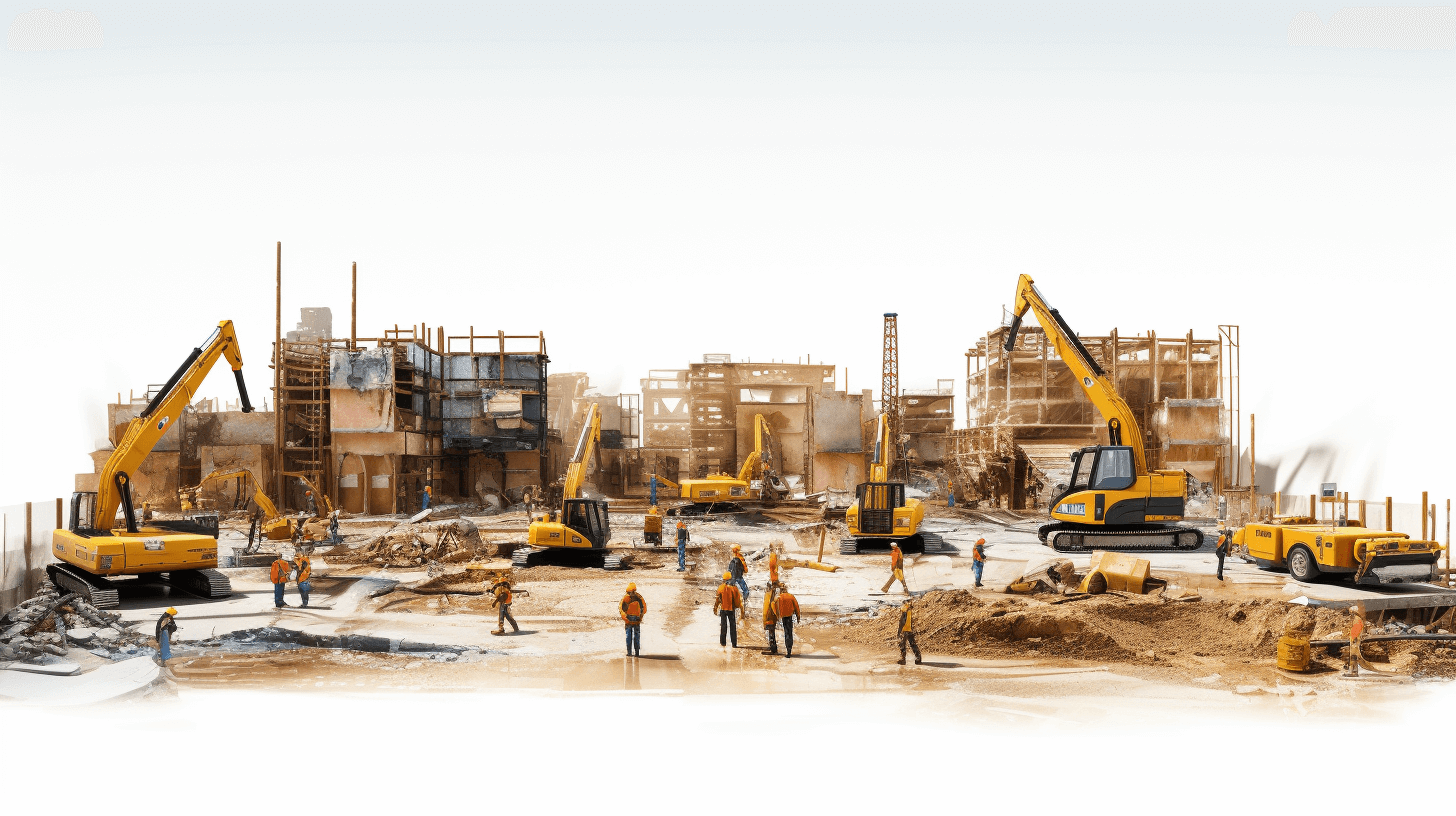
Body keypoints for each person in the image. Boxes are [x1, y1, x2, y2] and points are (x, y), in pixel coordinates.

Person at [713, 571, 742, 648]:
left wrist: (715, 608)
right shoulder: (734, 588)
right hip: (731, 610)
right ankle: (734, 643)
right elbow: (738, 600)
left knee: (723, 626)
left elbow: (717, 599)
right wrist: (737, 606)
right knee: (733, 626)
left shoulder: (721, 587)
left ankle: (723, 642)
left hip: (723, 609)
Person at [621, 582, 646, 657]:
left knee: (630, 636)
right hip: (635, 619)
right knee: (635, 636)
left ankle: (630, 653)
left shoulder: (626, 597)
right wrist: (640, 617)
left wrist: (625, 617)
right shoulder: (639, 597)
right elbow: (643, 609)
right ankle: (636, 653)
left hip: (630, 619)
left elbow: (621, 608)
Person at [775, 584, 801, 658]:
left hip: (783, 617)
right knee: (789, 633)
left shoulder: (778, 598)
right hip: (789, 617)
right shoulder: (791, 596)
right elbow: (796, 607)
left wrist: (777, 616)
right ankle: (789, 650)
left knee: (786, 633)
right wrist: (798, 616)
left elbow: (775, 607)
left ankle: (788, 650)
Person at [896, 598, 922, 665]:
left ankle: (903, 659)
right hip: (909, 628)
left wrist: (900, 630)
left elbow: (903, 620)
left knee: (902, 644)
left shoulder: (905, 609)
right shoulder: (909, 609)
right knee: (912, 643)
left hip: (905, 629)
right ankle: (918, 658)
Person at [1343, 606, 1366, 676]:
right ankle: (1353, 671)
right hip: (1354, 640)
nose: (1351, 615)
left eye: (1352, 613)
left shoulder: (1357, 620)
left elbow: (1356, 631)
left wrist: (1354, 638)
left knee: (1353, 656)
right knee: (1354, 656)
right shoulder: (1358, 619)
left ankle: (1353, 672)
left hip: (1355, 640)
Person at [728, 544, 750, 608]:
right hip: (738, 577)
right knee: (746, 591)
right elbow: (744, 570)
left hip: (735, 578)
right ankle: (743, 603)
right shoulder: (739, 559)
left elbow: (731, 571)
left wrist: (732, 580)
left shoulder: (735, 560)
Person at [761, 587, 781, 655]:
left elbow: (767, 608)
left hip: (769, 617)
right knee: (771, 633)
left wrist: (765, 618)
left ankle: (773, 649)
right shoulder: (773, 595)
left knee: (771, 633)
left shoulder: (768, 596)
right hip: (772, 617)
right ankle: (773, 647)